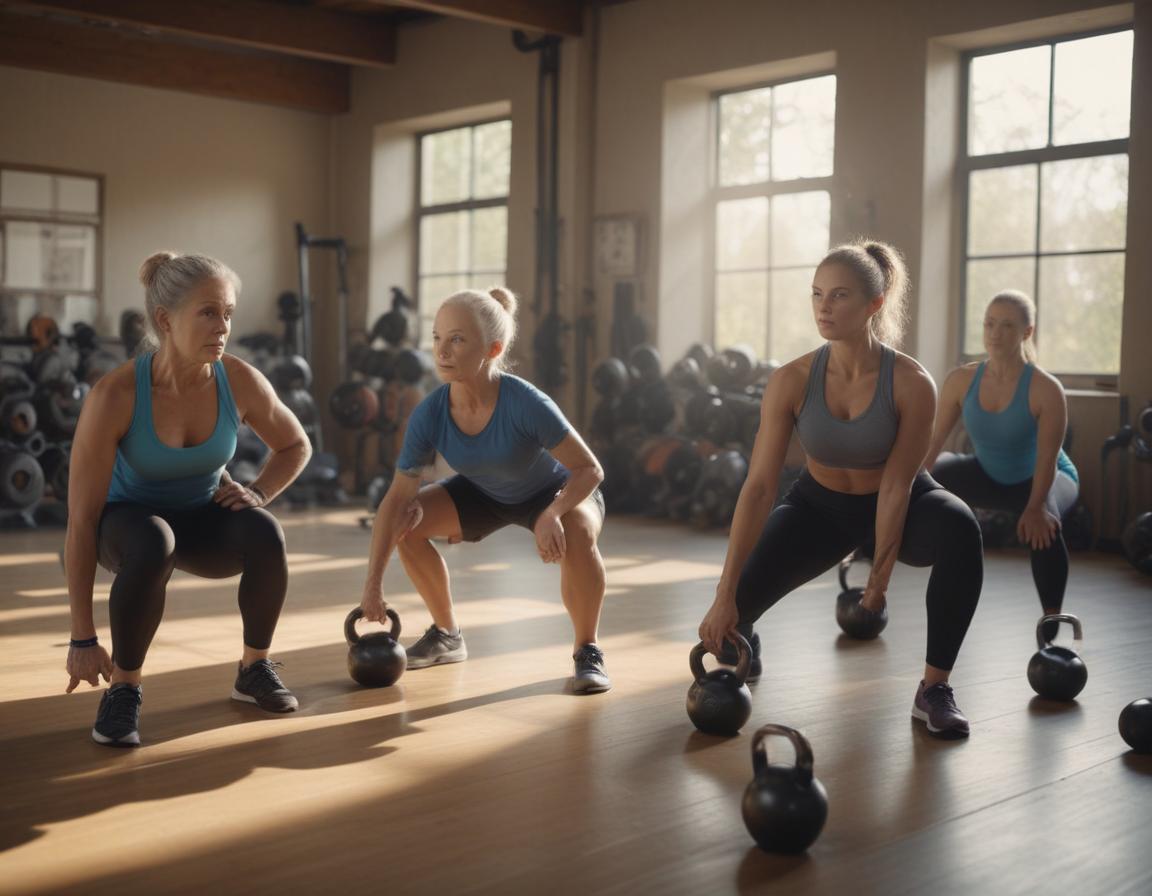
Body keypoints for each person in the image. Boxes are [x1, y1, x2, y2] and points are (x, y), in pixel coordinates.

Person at [698, 240, 983, 738]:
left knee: (960, 526)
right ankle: (748, 637)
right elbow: (761, 486)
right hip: (819, 508)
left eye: (839, 296)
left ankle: (933, 690)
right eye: (816, 295)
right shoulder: (792, 379)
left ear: (874, 304)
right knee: (726, 630)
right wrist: (725, 595)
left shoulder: (912, 383)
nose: (824, 308)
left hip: (903, 504)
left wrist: (879, 582)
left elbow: (896, 485)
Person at [64, 252, 312, 746]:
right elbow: (81, 520)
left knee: (265, 532)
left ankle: (253, 668)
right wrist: (82, 637)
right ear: (164, 319)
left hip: (200, 517)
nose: (222, 327)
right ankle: (124, 689)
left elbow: (295, 444)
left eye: (228, 314)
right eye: (208, 312)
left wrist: (259, 491)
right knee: (155, 539)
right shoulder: (115, 396)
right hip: (125, 525)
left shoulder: (238, 379)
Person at [358, 287, 611, 693]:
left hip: (555, 489)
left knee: (579, 532)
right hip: (484, 491)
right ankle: (447, 634)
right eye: (438, 338)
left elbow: (589, 469)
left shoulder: (526, 402)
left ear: (492, 349)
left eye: (457, 339)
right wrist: (373, 585)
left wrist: (552, 514)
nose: (442, 350)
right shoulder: (431, 412)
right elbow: (396, 498)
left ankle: (588, 651)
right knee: (407, 521)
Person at [926, 290, 1078, 642]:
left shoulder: (1045, 389)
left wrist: (1037, 504)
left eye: (1007, 326)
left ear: (1027, 332)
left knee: (1045, 523)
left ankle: (1051, 625)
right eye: (989, 324)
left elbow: (1046, 458)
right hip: (989, 472)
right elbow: (934, 444)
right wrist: (908, 486)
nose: (995, 333)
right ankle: (872, 571)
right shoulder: (961, 380)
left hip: (1046, 477)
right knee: (932, 476)